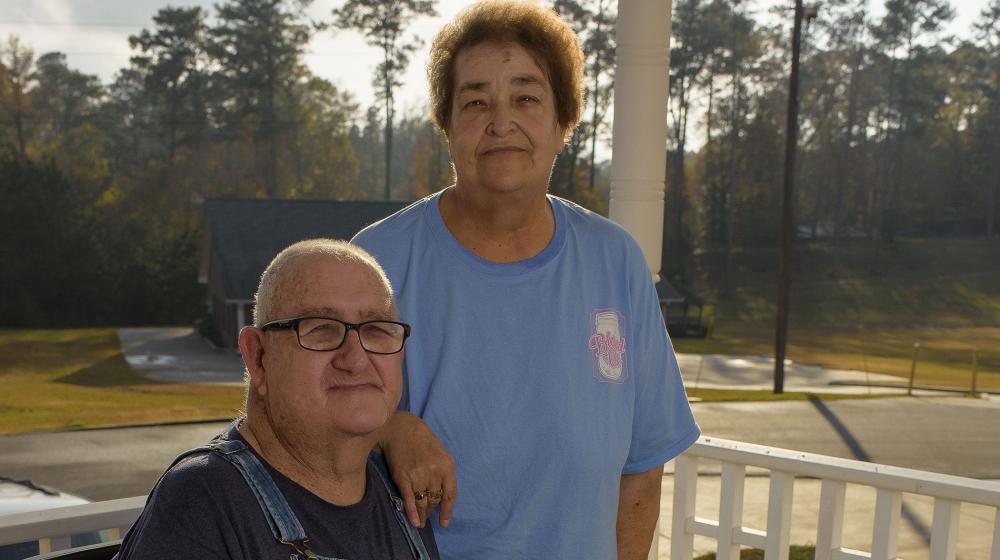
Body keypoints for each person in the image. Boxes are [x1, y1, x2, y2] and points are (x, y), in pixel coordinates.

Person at [353, 1, 701, 558]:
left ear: (564, 123)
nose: (500, 122)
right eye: (475, 101)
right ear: (448, 125)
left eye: (526, 97)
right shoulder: (374, 261)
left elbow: (642, 466)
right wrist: (390, 429)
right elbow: (310, 430)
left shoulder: (616, 262)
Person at [115, 239, 438, 560]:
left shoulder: (401, 490)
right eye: (322, 329)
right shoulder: (205, 501)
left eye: (377, 330)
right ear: (258, 356)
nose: (355, 359)